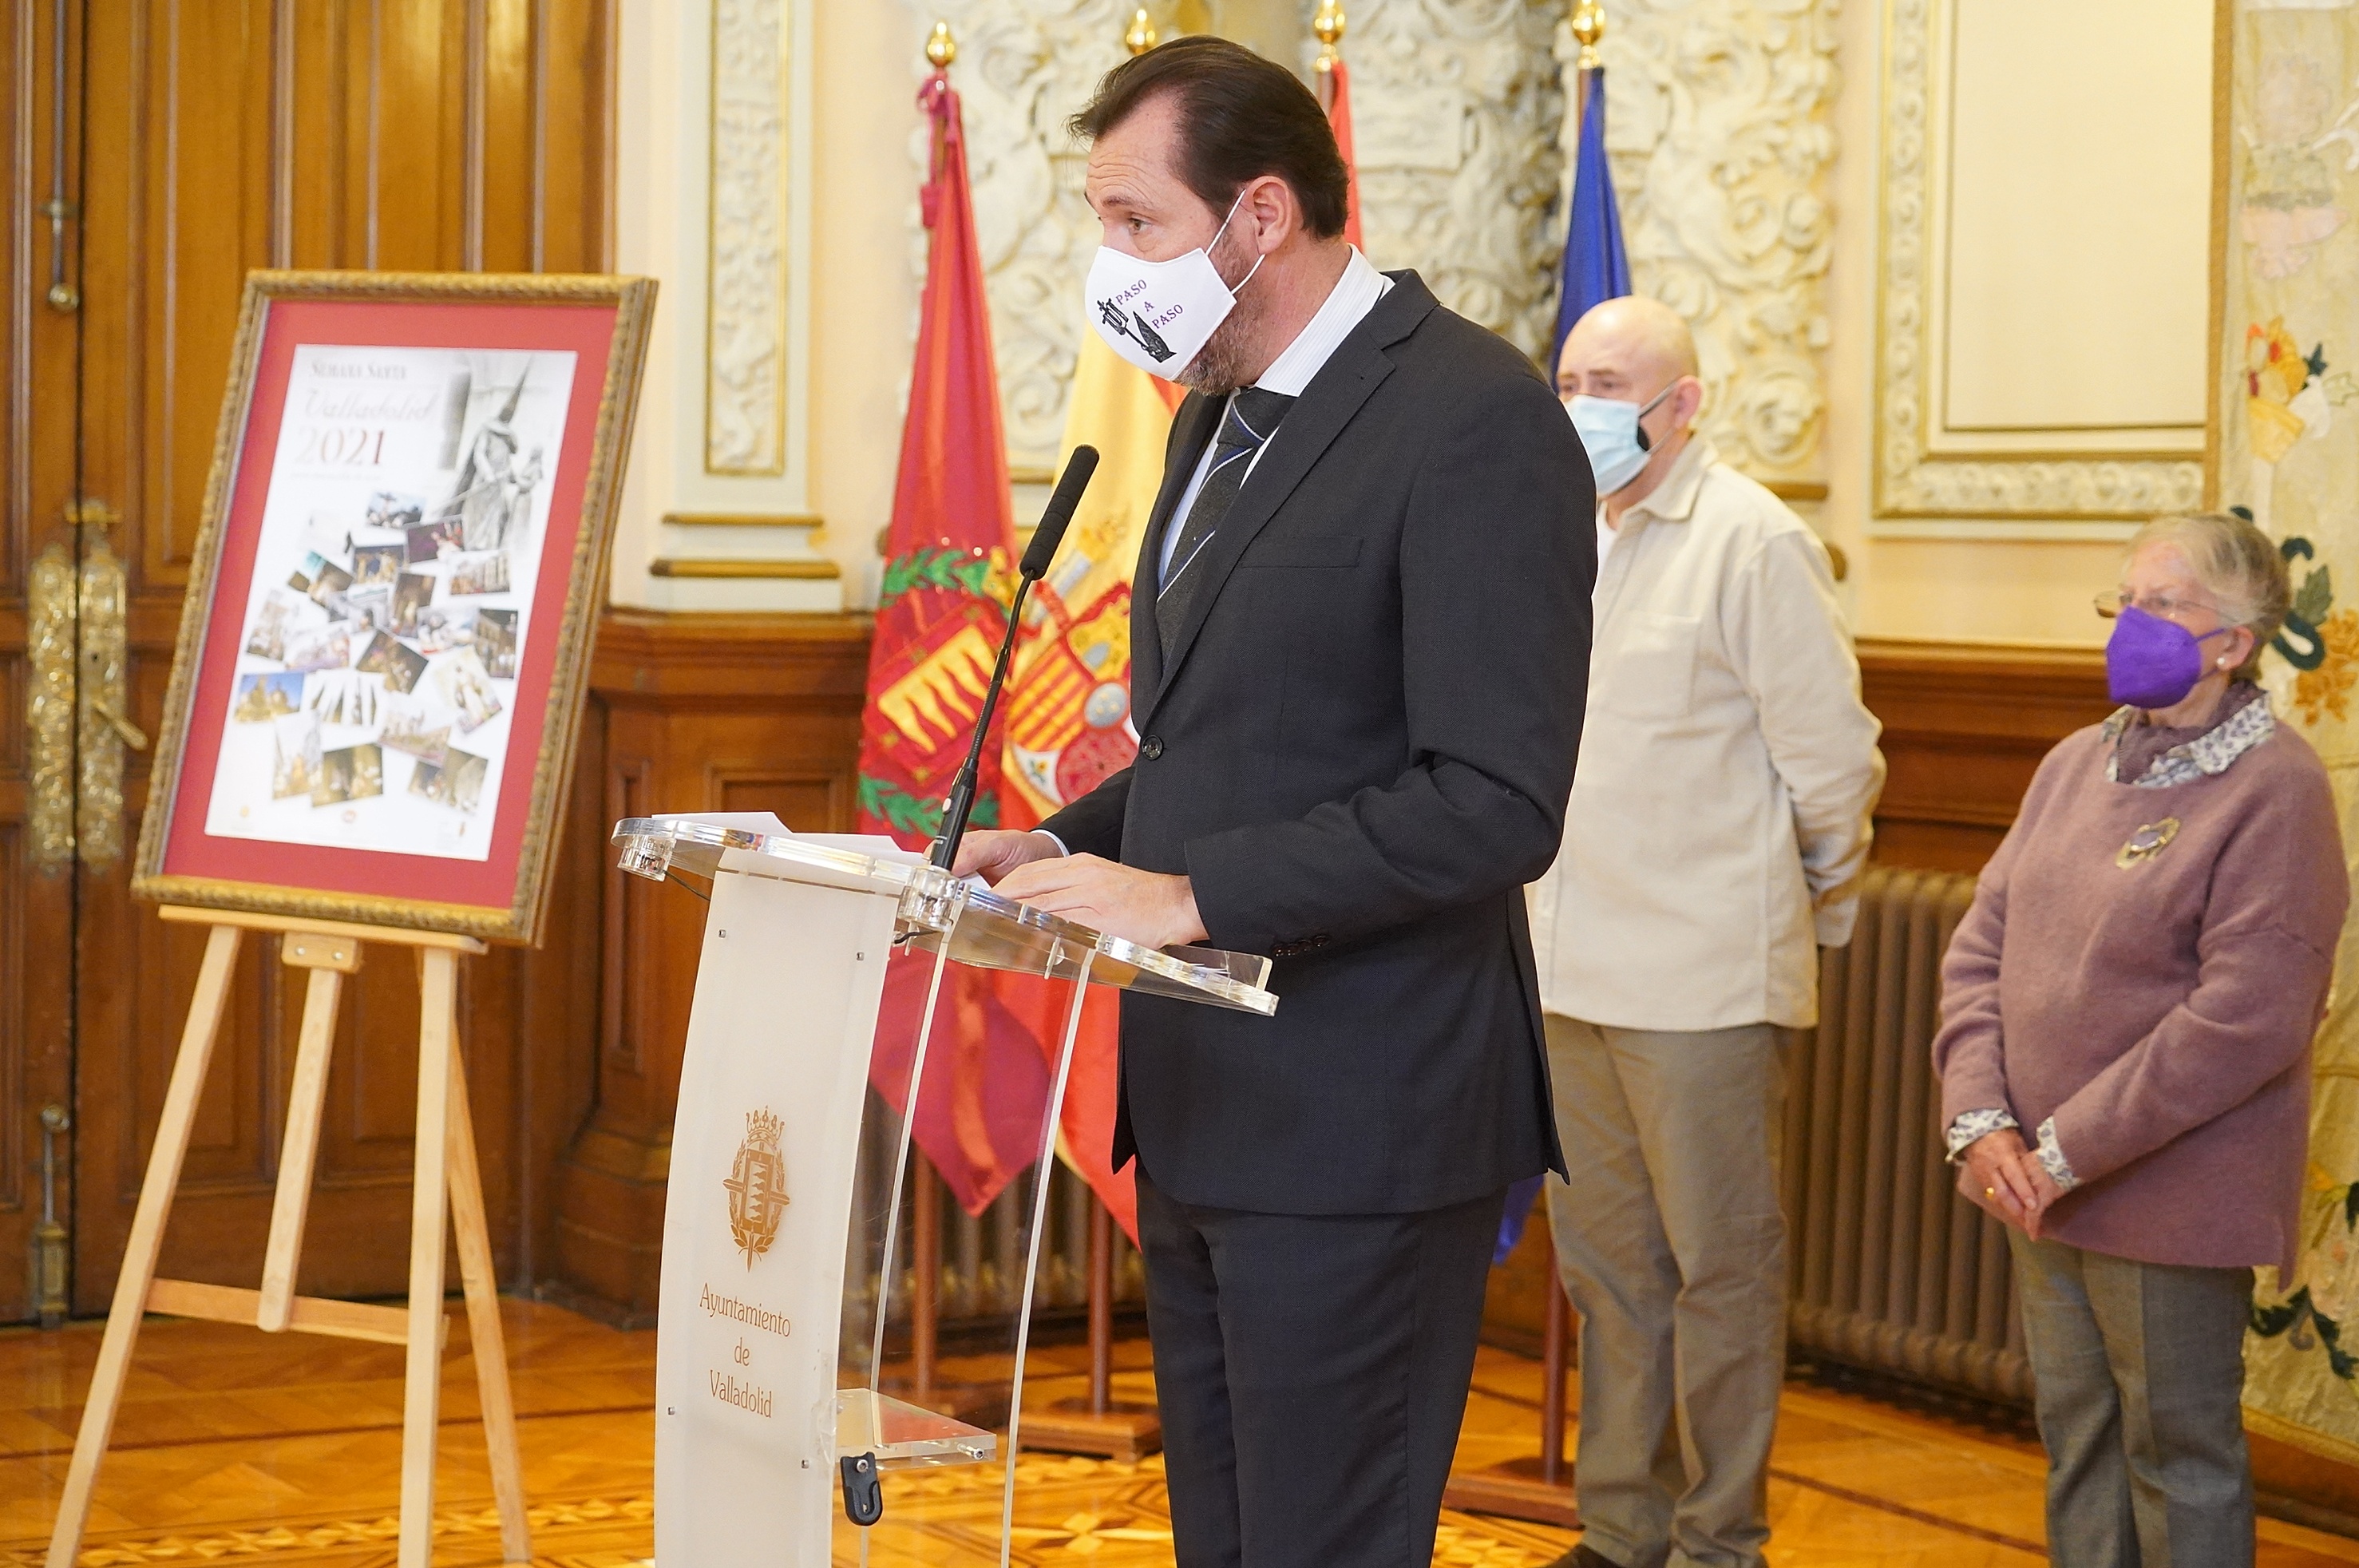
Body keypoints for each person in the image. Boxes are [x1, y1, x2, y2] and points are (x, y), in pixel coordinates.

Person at [953, 36, 1593, 1568]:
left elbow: (1495, 800)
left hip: (1361, 1120)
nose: (1114, 264)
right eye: (1104, 223)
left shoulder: (1474, 417)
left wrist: (1188, 896)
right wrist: (1059, 846)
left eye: (1139, 222)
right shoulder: (1213, 413)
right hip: (1201, 1110)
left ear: (1258, 214)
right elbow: (1226, 747)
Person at [1526, 296, 1885, 1568]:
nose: (1582, 404)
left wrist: (1802, 908)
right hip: (1564, 970)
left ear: (1682, 404)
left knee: (1720, 1275)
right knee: (1608, 1275)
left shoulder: (1753, 541)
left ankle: (1720, 1539)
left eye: (1609, 382)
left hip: (1704, 985)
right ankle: (1622, 1530)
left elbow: (1832, 766)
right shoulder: (1559, 533)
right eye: (1569, 379)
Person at [1932, 511, 2347, 1567]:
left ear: (2234, 641)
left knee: (2178, 1457)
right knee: (2078, 1440)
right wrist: (1983, 1123)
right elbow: (1981, 949)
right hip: (2033, 1182)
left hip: (2167, 1191)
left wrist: (2067, 1149)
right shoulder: (2076, 762)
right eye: (2124, 601)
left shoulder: (2278, 787)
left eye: (2161, 604)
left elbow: (2246, 1015)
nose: (2130, 623)